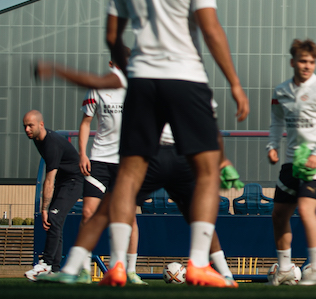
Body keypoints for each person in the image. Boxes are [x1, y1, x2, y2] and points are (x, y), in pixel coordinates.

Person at [102, 0, 249, 287]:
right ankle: (199, 262)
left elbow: (112, 37)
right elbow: (210, 28)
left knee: (129, 176)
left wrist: (131, 65)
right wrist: (234, 82)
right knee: (206, 171)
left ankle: (117, 264)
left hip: (144, 78)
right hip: (185, 77)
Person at [32, 61, 241, 285]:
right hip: (176, 158)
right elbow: (209, 126)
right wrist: (222, 160)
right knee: (199, 215)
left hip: (150, 157)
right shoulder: (195, 80)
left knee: (108, 211)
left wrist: (57, 70)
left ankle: (103, 268)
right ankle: (215, 270)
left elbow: (95, 80)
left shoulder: (143, 74)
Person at [267, 39, 316, 286]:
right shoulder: (281, 92)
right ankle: (286, 269)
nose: (307, 66)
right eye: (302, 61)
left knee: (306, 209)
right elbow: (277, 121)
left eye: (311, 62)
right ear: (293, 62)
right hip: (291, 162)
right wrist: (273, 146)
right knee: (279, 214)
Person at [23, 110, 83, 280]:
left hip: (74, 181)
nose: (27, 129)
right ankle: (54, 270)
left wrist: (44, 208)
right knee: (56, 223)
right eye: (25, 126)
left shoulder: (51, 143)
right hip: (64, 181)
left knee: (54, 218)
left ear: (41, 124)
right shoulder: (37, 139)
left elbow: (49, 180)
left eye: (30, 126)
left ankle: (46, 264)